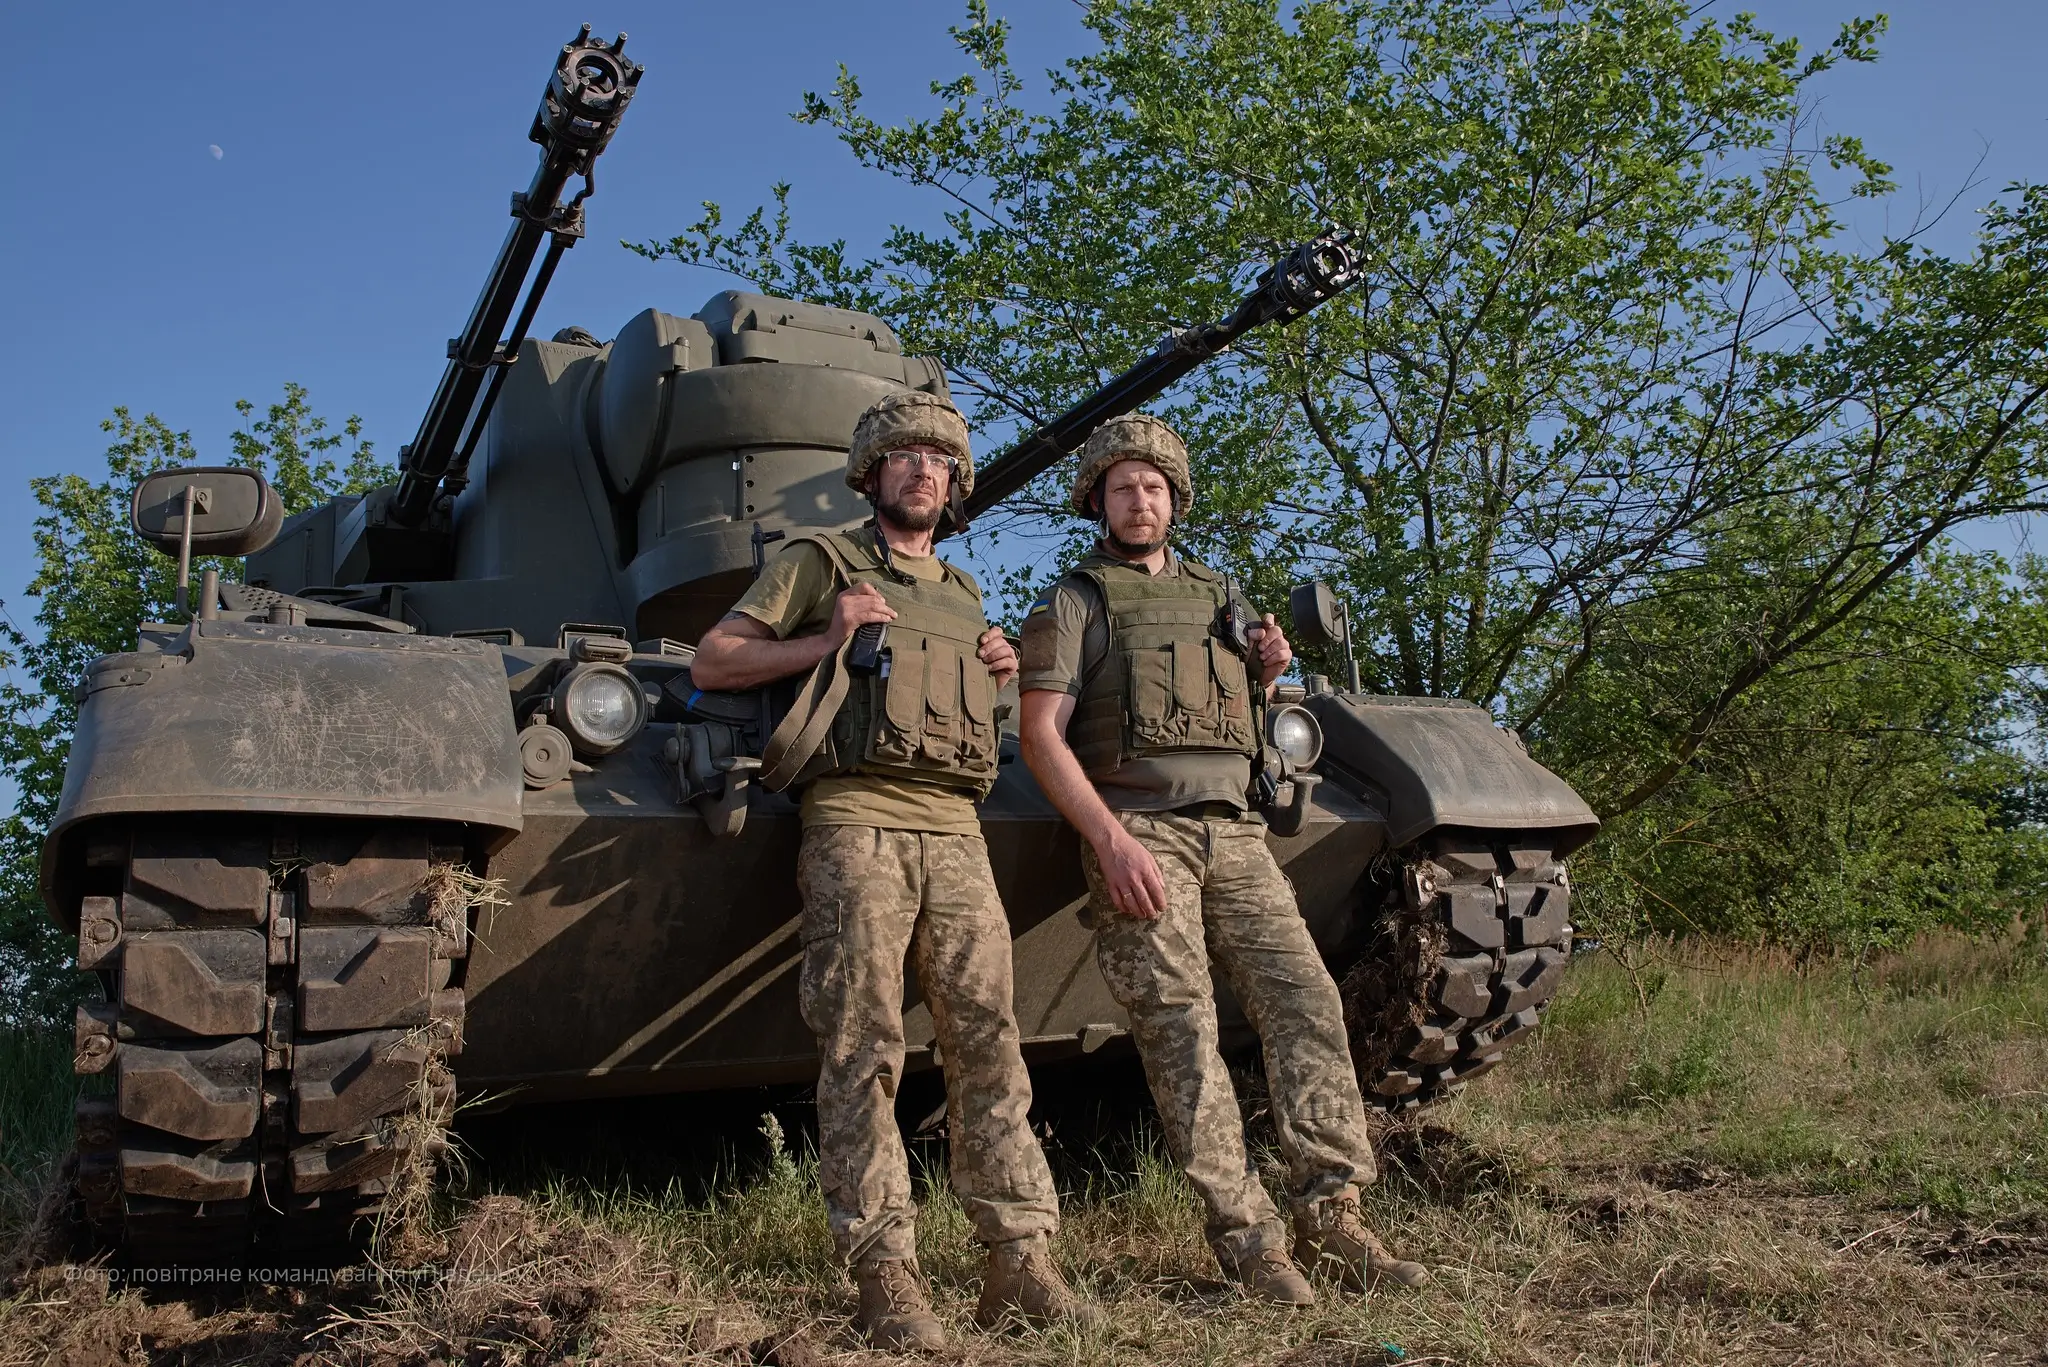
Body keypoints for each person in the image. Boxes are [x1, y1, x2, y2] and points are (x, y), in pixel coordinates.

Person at [692, 390, 1097, 1352]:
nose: (924, 470)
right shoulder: (821, 562)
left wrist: (995, 676)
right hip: (856, 824)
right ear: (870, 474)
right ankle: (884, 1269)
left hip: (957, 832)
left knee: (989, 1039)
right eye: (905, 456)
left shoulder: (961, 592)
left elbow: (962, 724)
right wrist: (824, 637)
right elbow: (713, 661)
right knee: (863, 1042)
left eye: (940, 460)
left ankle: (1020, 1258)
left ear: (955, 484)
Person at [1015, 414, 1427, 1305]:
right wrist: (1109, 838)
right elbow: (1041, 734)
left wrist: (1268, 673)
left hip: (1235, 832)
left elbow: (1239, 710)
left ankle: (1336, 1215)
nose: (1140, 500)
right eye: (1122, 487)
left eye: (1153, 486)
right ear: (1096, 501)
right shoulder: (1074, 601)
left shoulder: (1221, 595)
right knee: (1183, 1032)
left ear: (1175, 500)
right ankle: (1249, 1241)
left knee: (1305, 1000)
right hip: (1141, 830)